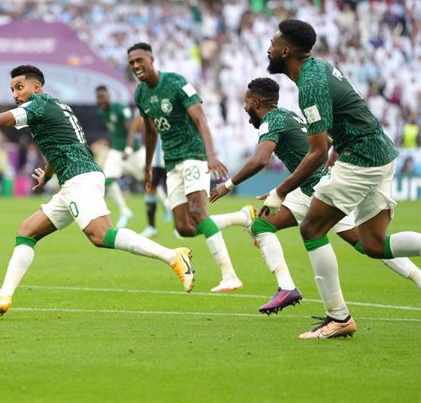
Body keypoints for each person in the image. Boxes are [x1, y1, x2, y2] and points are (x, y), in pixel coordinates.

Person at [0, 65, 195, 316]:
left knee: (100, 235)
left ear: (37, 88)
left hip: (80, 178)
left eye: (20, 87)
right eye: (12, 90)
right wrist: (49, 175)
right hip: (72, 181)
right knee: (27, 231)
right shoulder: (56, 106)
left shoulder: (38, 105)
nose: (16, 94)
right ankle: (3, 296)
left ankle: (172, 256)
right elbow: (61, 144)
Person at [259, 18, 421, 339]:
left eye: (273, 44)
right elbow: (342, 121)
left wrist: (280, 191)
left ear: (286, 50)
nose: (269, 48)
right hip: (379, 152)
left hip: (361, 157)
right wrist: (334, 153)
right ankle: (340, 317)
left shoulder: (310, 85)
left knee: (312, 227)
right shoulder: (319, 69)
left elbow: (316, 151)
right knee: (374, 244)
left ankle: (339, 318)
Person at [210, 77, 421, 314]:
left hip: (321, 191)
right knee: (261, 225)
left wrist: (227, 185)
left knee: (368, 243)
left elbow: (260, 159)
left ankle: (412, 279)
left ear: (257, 102)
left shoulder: (272, 120)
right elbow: (326, 142)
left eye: (247, 101)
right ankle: (286, 288)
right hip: (308, 188)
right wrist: (283, 189)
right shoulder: (288, 115)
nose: (244, 106)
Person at [128, 42, 253, 293]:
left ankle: (230, 275)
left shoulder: (176, 82)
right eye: (131, 63)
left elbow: (200, 118)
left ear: (151, 59)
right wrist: (148, 166)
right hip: (172, 161)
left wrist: (210, 154)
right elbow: (151, 131)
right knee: (184, 228)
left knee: (198, 210)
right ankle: (242, 217)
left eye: (139, 60)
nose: (136, 66)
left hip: (194, 154)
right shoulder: (140, 94)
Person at [95, 85, 147, 228]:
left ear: (109, 96)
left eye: (103, 97)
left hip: (133, 151)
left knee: (147, 181)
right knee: (108, 179)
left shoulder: (120, 108)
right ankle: (124, 211)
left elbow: (131, 130)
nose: (101, 100)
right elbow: (114, 131)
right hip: (116, 151)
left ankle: (165, 203)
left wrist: (129, 149)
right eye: (98, 97)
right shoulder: (102, 111)